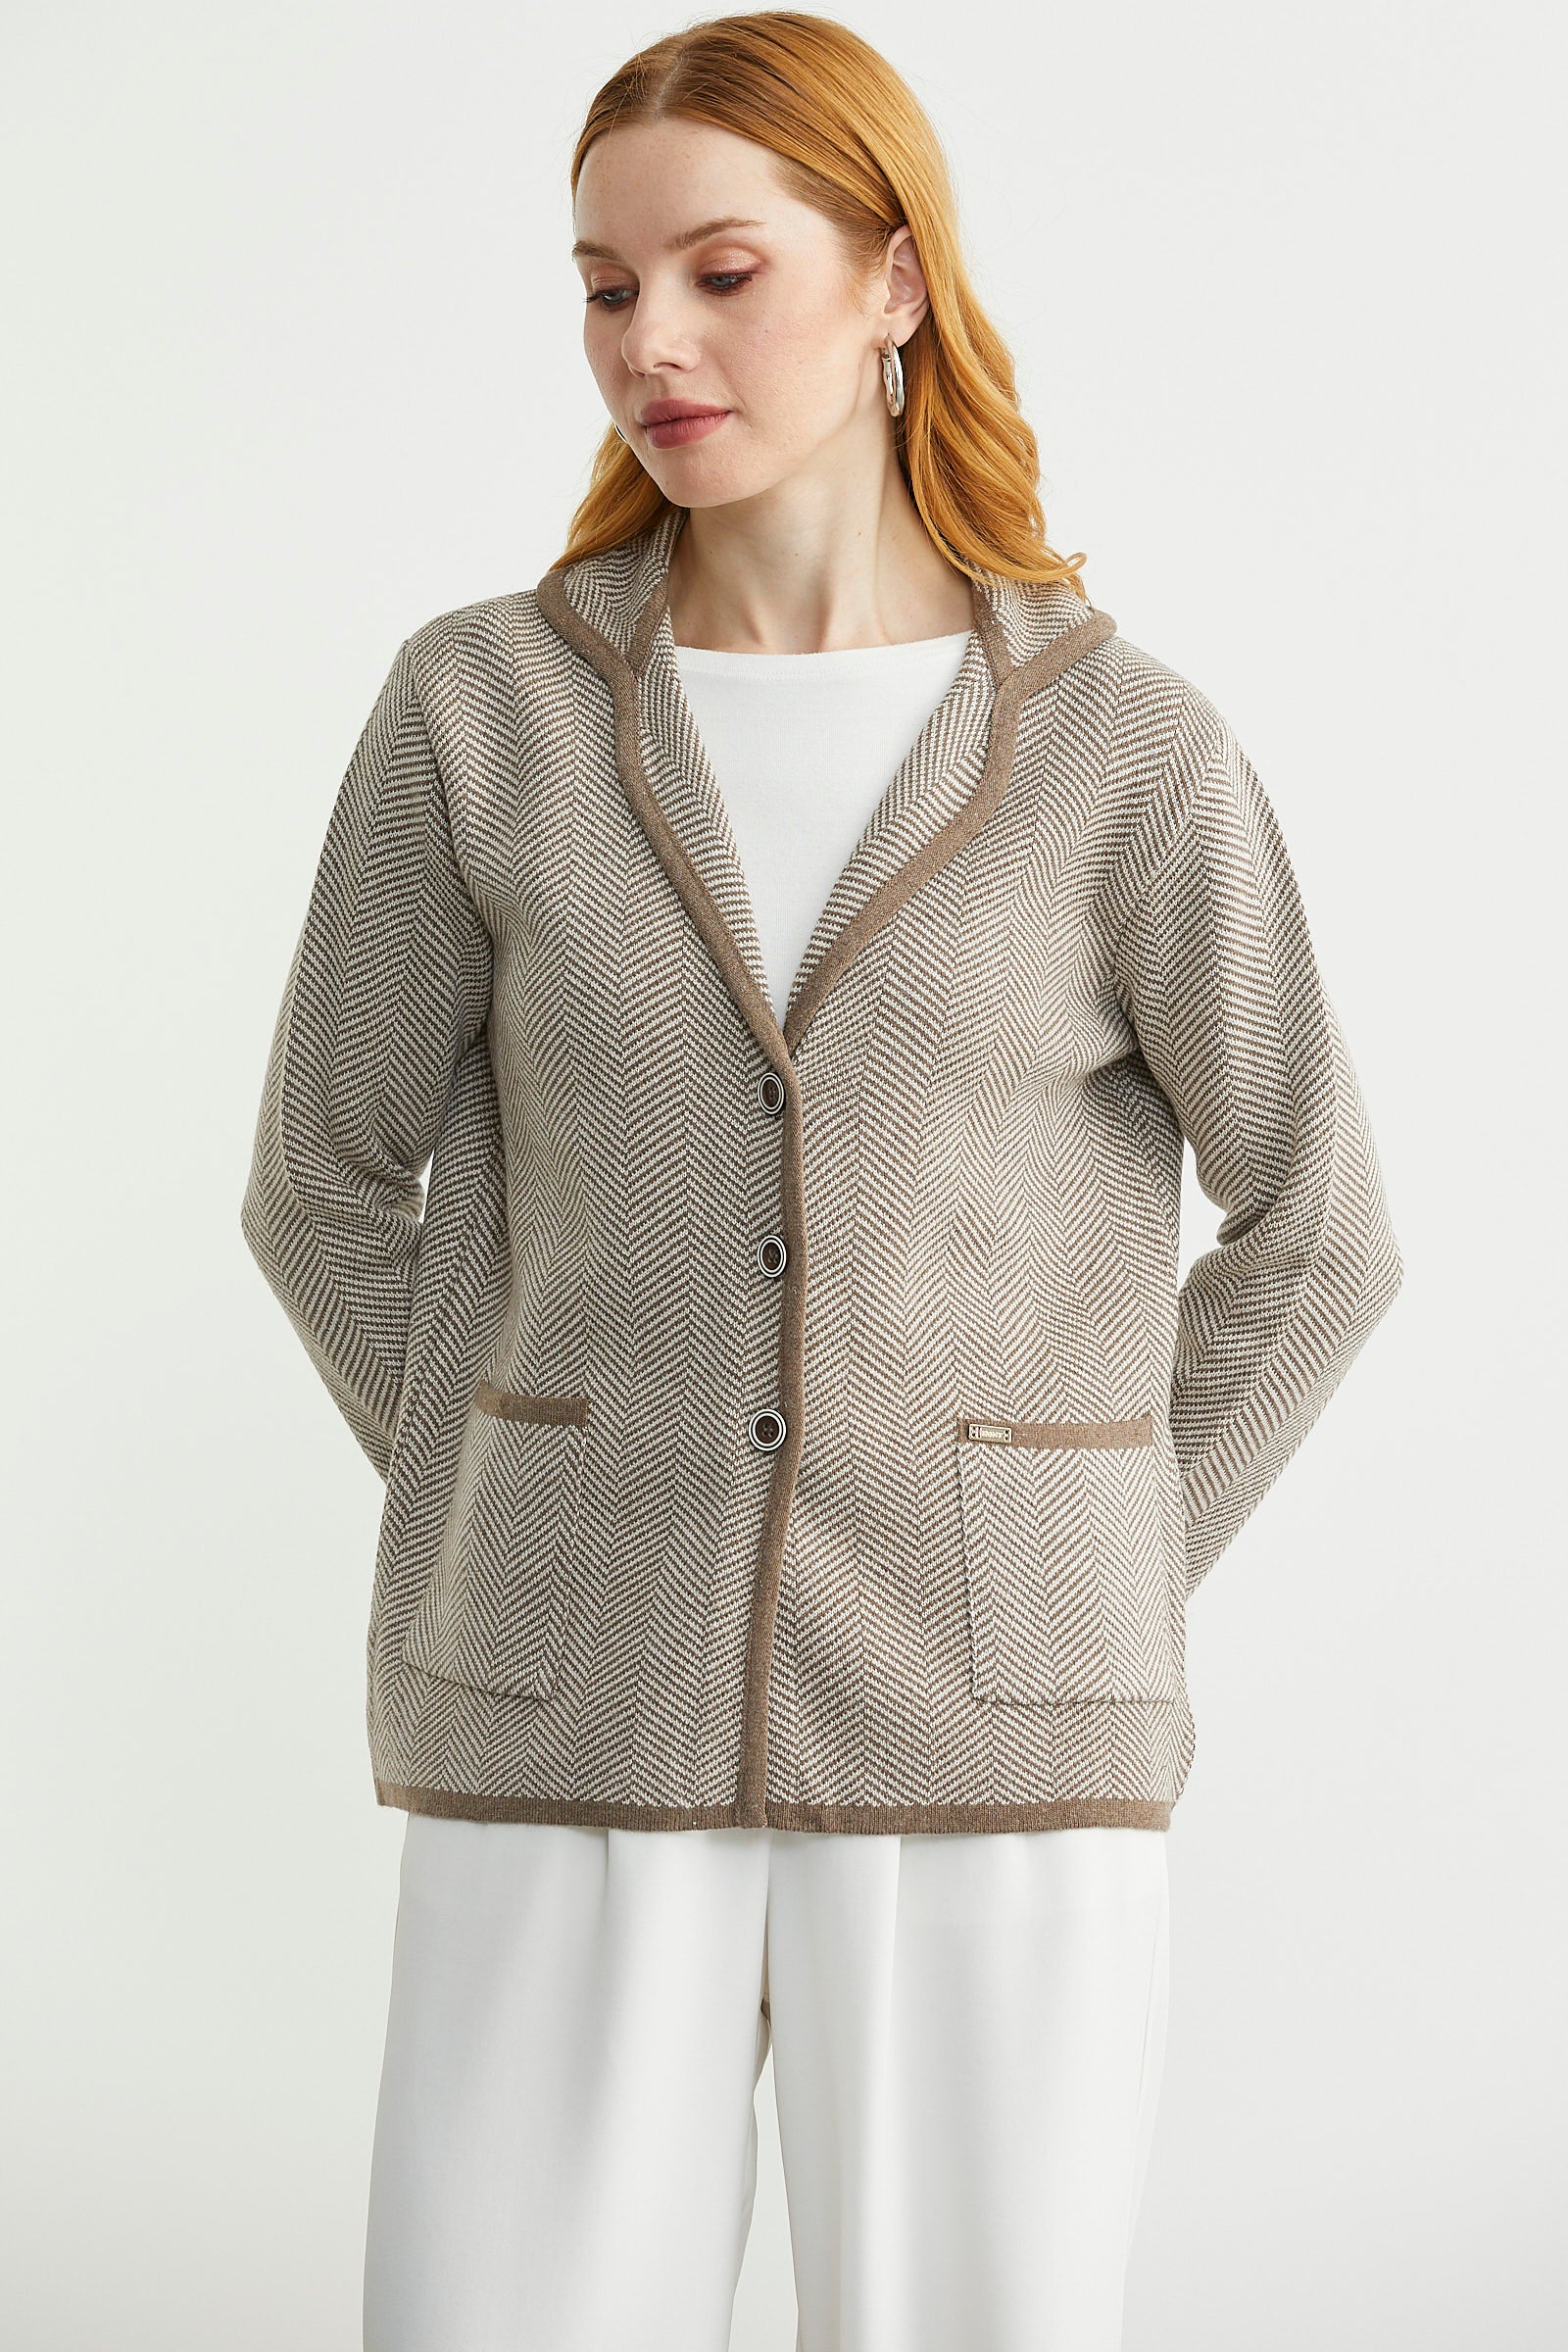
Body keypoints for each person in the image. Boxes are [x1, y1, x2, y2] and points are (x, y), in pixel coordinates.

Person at [239, 15, 1404, 2351]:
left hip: (997, 1755)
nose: (646, 344)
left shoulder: (1122, 752)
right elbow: (320, 1185)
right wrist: (533, 1506)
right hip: (561, 1716)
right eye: (602, 286)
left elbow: (1316, 1231)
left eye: (719, 273)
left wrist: (1064, 1566)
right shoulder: (477, 709)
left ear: (891, 283)